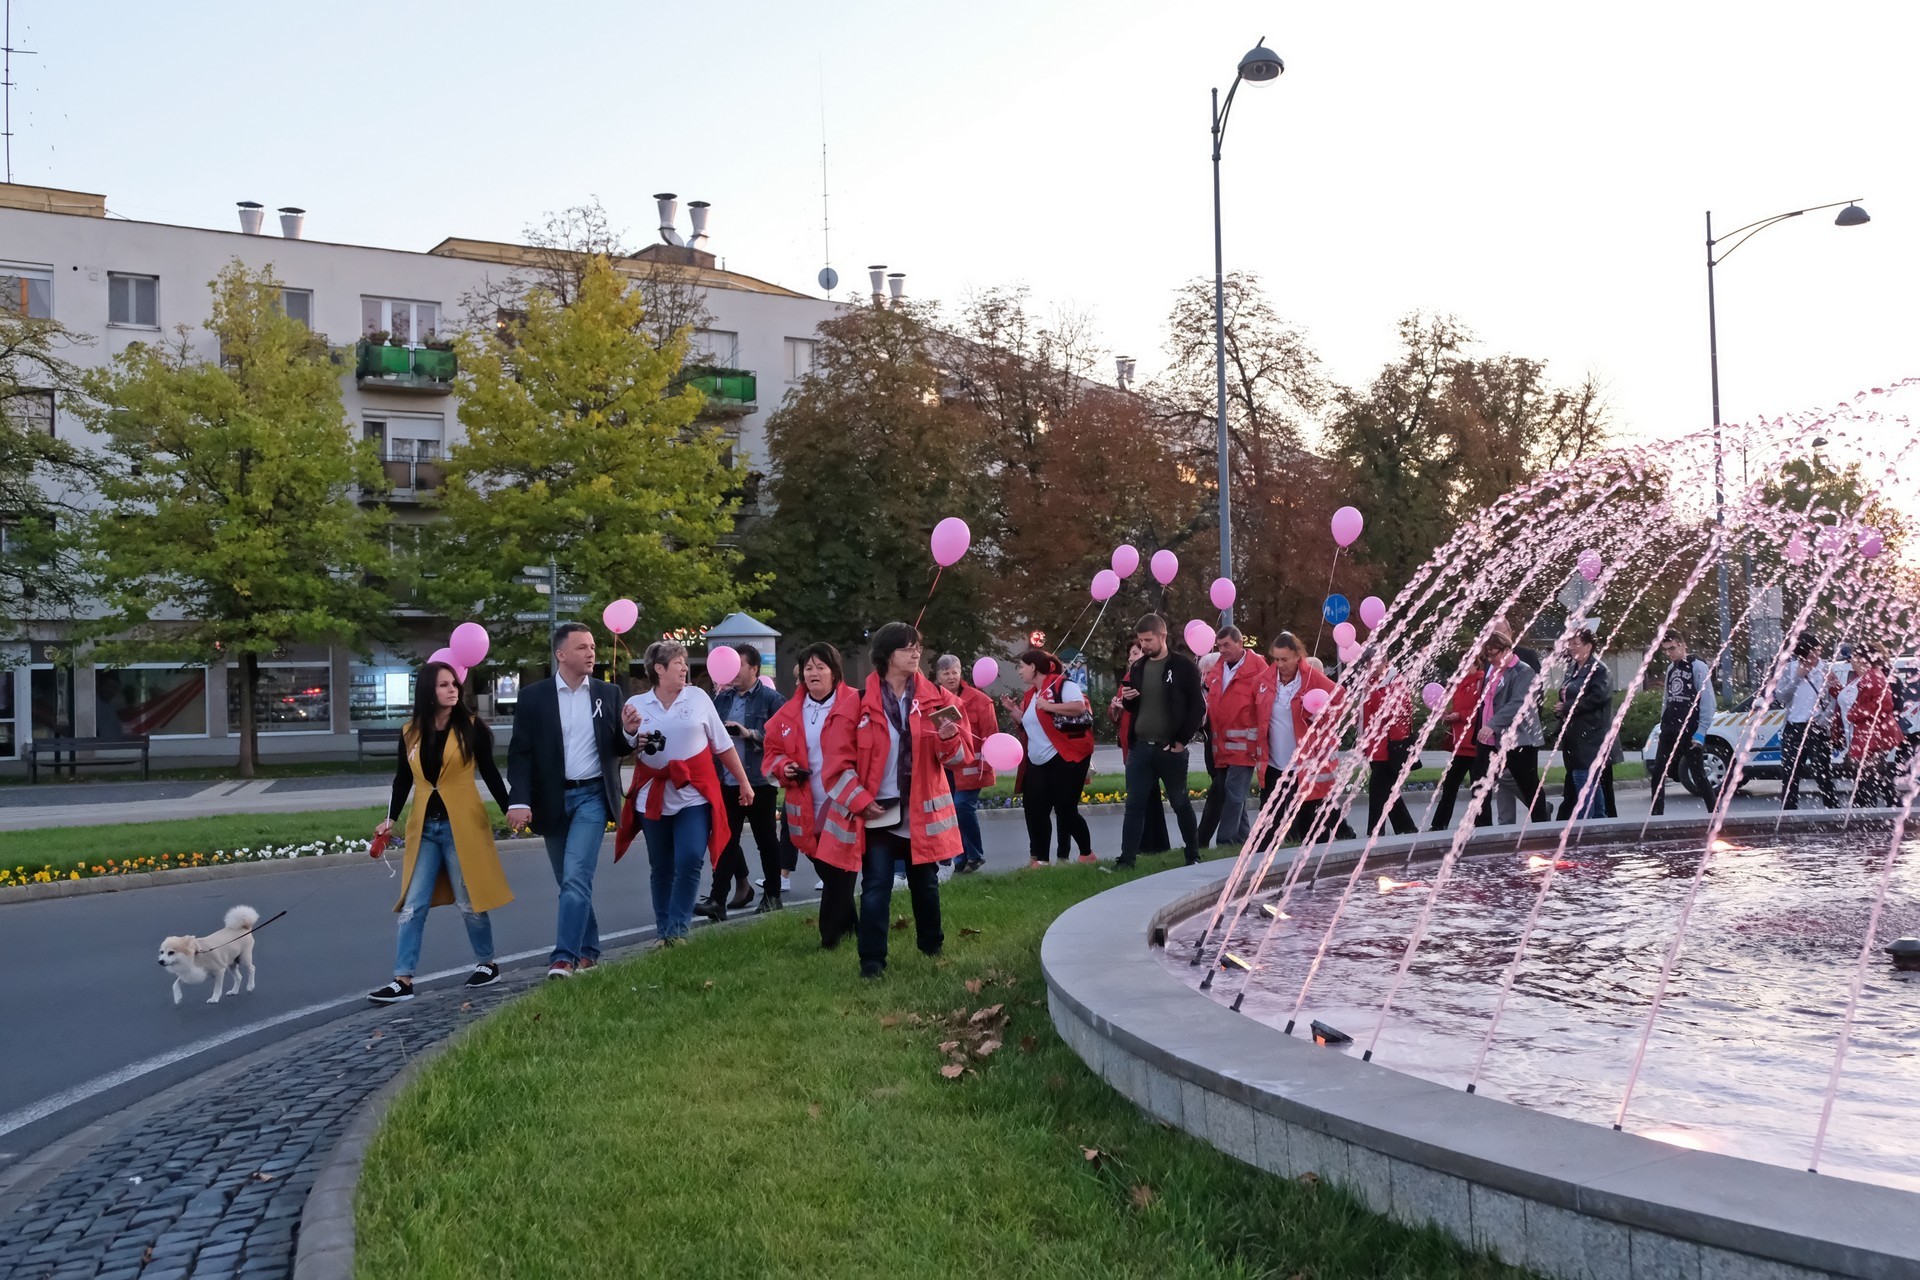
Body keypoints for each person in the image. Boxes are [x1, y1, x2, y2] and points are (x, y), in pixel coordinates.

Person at [812, 622, 973, 979]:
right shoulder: (855, 705)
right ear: (886, 655)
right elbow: (836, 763)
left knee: (926, 887)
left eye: (918, 647)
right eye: (907, 647)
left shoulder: (940, 700)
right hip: (877, 814)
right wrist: (859, 800)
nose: (916, 653)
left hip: (920, 815)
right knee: (876, 887)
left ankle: (931, 948)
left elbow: (960, 759)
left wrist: (949, 739)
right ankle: (871, 963)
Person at [369, 661, 514, 1004]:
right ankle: (402, 980)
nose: (452, 690)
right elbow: (403, 778)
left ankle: (487, 963)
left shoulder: (471, 728)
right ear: (428, 692)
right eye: (444, 685)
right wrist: (390, 818)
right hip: (424, 827)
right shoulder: (410, 732)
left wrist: (510, 807)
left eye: (454, 685)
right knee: (413, 904)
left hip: (461, 824)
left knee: (468, 899)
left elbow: (490, 772)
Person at [507, 622, 636, 980]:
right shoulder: (534, 698)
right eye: (582, 647)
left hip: (592, 796)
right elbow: (520, 755)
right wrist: (519, 800)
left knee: (577, 876)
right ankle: (589, 950)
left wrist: (629, 731)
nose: (591, 653)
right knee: (568, 880)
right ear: (561, 654)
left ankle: (563, 957)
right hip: (551, 799)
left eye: (592, 647)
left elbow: (618, 746)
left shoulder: (608, 693)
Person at [615, 641, 755, 944]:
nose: (684, 668)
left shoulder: (698, 698)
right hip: (652, 797)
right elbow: (623, 746)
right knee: (661, 866)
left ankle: (678, 930)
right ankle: (664, 931)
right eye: (677, 662)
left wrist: (743, 782)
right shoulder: (637, 704)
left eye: (684, 661)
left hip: (693, 796)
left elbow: (722, 745)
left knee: (691, 858)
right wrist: (630, 733)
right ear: (659, 668)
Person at [763, 642, 865, 947]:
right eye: (809, 668)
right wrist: (784, 767)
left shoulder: (857, 703)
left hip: (845, 801)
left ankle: (830, 939)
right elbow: (772, 752)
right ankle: (852, 930)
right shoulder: (788, 713)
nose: (814, 673)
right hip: (805, 805)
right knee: (830, 870)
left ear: (835, 672)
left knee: (841, 869)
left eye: (821, 667)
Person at [1115, 614, 1204, 869]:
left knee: (1179, 801)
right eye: (1141, 641)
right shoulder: (1138, 667)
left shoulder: (1183, 666)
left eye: (1148, 640)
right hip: (1141, 747)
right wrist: (1129, 699)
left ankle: (1193, 853)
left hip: (1170, 748)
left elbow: (1197, 706)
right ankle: (1127, 859)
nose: (1144, 645)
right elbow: (1134, 706)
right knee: (1134, 804)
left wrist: (1181, 740)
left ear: (1162, 636)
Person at [709, 643, 787, 915]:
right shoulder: (722, 700)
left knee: (766, 841)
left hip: (759, 782)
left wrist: (749, 734)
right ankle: (717, 900)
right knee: (725, 841)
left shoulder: (771, 699)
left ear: (754, 669)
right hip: (727, 782)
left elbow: (783, 738)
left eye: (738, 665)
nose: (732, 670)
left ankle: (773, 896)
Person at [1001, 648, 1095, 867]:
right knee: (1035, 810)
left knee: (1065, 810)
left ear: (1033, 667)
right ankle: (1041, 861)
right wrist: (1013, 710)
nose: (1019, 671)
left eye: (1021, 666)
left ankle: (1087, 853)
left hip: (1066, 757)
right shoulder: (1031, 694)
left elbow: (1079, 707)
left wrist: (1050, 706)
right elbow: (1030, 724)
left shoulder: (1062, 685)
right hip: (1037, 761)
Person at [1259, 632, 1354, 843]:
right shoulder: (1265, 679)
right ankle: (1262, 860)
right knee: (1268, 823)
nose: (1280, 664)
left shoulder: (1312, 677)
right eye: (1276, 659)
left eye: (1285, 659)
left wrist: (1317, 715)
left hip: (1302, 765)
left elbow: (1341, 701)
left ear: (1297, 656)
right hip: (1273, 764)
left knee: (1308, 822)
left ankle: (1315, 857)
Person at [1202, 627, 1271, 845]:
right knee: (1231, 792)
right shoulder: (1218, 669)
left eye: (1227, 645)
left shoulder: (1258, 668)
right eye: (1219, 646)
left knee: (1233, 793)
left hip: (1245, 744)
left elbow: (1266, 704)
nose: (1222, 650)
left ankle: (1225, 840)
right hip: (1221, 744)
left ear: (1240, 643)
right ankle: (1242, 838)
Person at [1477, 624, 1548, 825]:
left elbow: (1517, 703)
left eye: (1493, 654)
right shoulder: (1494, 671)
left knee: (1529, 786)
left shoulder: (1523, 671)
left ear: (1507, 650)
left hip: (1520, 740)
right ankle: (1486, 827)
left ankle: (1543, 824)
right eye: (1487, 655)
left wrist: (1492, 724)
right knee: (1484, 783)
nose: (1490, 659)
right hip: (1494, 739)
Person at [935, 654, 998, 874]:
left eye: (955, 672)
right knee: (950, 811)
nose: (951, 677)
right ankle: (960, 857)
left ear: (961, 672)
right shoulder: (932, 701)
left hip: (972, 767)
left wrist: (987, 765)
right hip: (944, 766)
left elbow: (991, 735)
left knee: (962, 806)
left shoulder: (980, 700)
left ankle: (975, 854)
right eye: (946, 673)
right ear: (938, 676)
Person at [1110, 640, 1171, 853]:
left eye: (1135, 653)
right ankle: (1152, 844)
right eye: (1130, 654)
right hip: (1131, 745)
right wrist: (1115, 709)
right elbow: (1118, 715)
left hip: (1147, 744)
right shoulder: (1128, 679)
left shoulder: (1154, 676)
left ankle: (1152, 844)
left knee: (1146, 796)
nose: (1130, 658)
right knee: (1144, 796)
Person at [1648, 630, 1716, 816]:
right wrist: (1663, 725)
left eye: (1672, 648)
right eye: (1665, 650)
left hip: (1689, 729)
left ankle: (1714, 813)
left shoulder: (1697, 666)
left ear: (1682, 645)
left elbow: (1708, 701)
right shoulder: (1671, 668)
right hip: (1670, 728)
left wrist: (1701, 731)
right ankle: (1656, 816)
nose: (1669, 653)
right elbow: (1667, 699)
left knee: (1698, 774)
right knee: (1658, 774)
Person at [1775, 632, 1842, 811]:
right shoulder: (1789, 669)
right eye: (1811, 653)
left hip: (1816, 728)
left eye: (1817, 651)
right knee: (1789, 774)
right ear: (1801, 653)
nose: (1815, 656)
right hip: (1793, 727)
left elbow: (1835, 699)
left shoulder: (1825, 669)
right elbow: (1781, 697)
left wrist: (1823, 720)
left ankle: (1832, 810)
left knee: (1822, 774)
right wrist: (1797, 677)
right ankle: (1788, 813)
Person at [1356, 647, 1417, 836]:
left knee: (1377, 789)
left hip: (1389, 745)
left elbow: (1393, 712)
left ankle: (1375, 831)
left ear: (1385, 661)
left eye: (1373, 664)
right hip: (1375, 744)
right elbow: (1366, 715)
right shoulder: (1371, 682)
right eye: (1367, 665)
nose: (1370, 668)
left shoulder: (1395, 680)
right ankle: (1406, 828)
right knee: (1388, 790)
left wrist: (1373, 694)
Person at [1553, 628, 1613, 821]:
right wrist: (1561, 709)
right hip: (1574, 733)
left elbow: (1598, 698)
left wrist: (1567, 706)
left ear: (1588, 646)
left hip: (1591, 733)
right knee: (1587, 778)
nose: (1571, 647)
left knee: (1583, 776)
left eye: (1576, 643)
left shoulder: (1599, 670)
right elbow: (1567, 694)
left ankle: (1585, 821)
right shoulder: (1573, 669)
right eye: (1569, 643)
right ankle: (1597, 819)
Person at [1429, 660, 1488, 831]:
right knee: (1450, 785)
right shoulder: (1460, 684)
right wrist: (1448, 715)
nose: (1463, 667)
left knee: (1478, 787)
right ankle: (1439, 824)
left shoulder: (1481, 682)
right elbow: (1459, 708)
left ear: (1476, 665)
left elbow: (1482, 711)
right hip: (1460, 744)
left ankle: (1482, 824)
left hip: (1475, 743)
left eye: (1467, 663)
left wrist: (1459, 716)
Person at [1846, 643, 1903, 808]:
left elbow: (1884, 704)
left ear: (1861, 659)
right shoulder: (1867, 676)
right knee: (1873, 774)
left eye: (1854, 657)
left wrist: (1854, 714)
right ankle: (1890, 807)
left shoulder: (1874, 676)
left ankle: (1867, 810)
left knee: (1868, 775)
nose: (1851, 661)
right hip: (1871, 734)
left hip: (1875, 735)